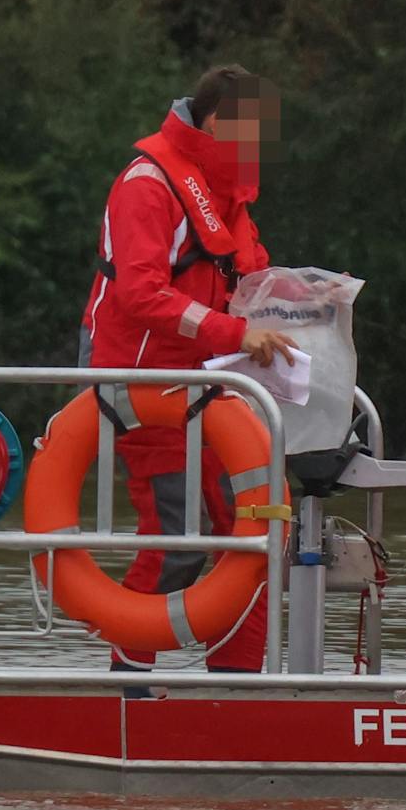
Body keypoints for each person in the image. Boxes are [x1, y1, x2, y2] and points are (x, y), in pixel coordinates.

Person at [78, 64, 297, 675]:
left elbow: (250, 278)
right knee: (179, 534)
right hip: (144, 382)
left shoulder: (227, 189)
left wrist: (306, 300)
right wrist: (236, 332)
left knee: (250, 534)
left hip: (209, 385)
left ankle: (236, 687)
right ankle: (127, 685)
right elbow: (141, 297)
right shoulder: (147, 184)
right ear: (221, 123)